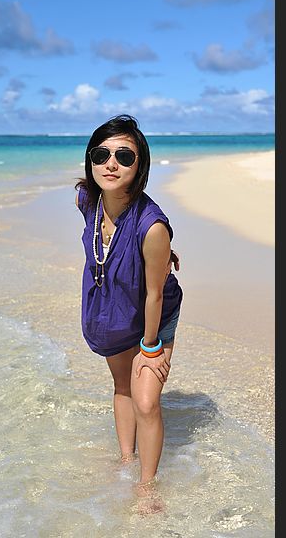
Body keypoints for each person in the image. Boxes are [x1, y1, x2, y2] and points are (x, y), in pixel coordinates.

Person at [75, 114, 183, 509]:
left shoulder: (153, 227)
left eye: (124, 155)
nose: (111, 163)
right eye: (101, 153)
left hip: (152, 314)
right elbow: (103, 246)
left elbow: (154, 295)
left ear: (141, 167)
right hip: (114, 306)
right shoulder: (87, 200)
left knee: (146, 398)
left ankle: (147, 487)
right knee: (122, 386)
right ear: (90, 160)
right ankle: (125, 459)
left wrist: (151, 348)